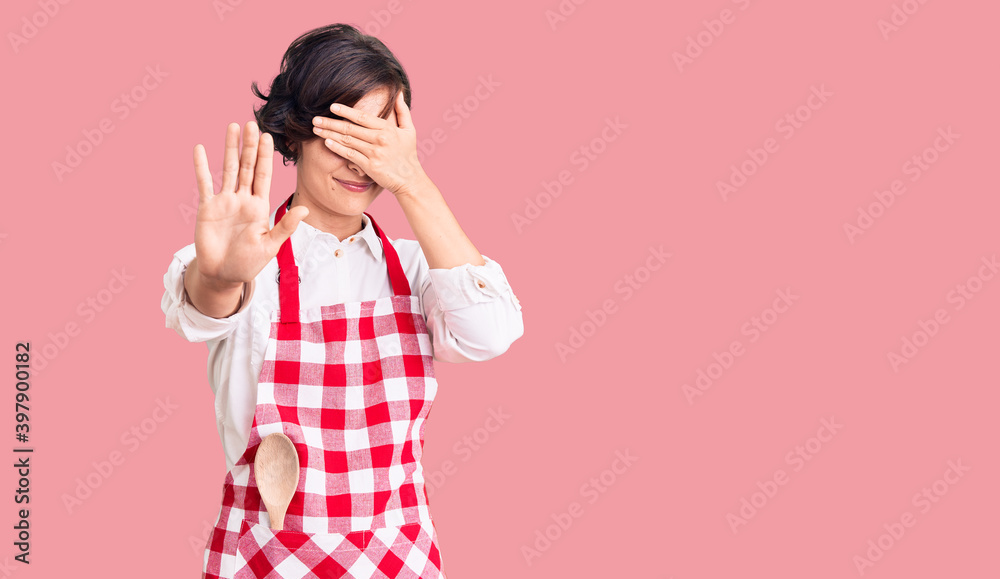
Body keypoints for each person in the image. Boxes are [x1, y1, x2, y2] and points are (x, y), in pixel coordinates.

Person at [160, 23, 524, 579]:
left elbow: (490, 333)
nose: (359, 163)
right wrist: (221, 275)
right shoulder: (244, 258)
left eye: (376, 140)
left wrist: (413, 183)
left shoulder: (420, 267)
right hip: (263, 559)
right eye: (341, 135)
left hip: (396, 560)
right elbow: (202, 311)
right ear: (297, 132)